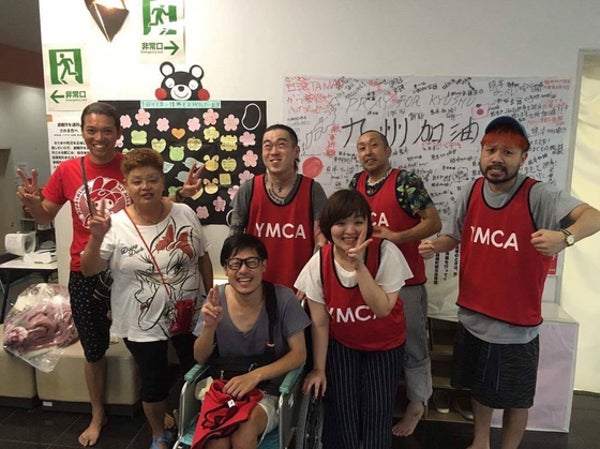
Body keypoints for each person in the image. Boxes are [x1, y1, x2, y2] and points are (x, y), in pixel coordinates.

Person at [15, 102, 204, 447]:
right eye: (91, 130)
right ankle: (98, 414)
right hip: (86, 269)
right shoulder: (68, 171)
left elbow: (153, 200)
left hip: (130, 268)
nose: (99, 137)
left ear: (119, 132)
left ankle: (157, 407)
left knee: (152, 342)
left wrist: (181, 195)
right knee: (94, 348)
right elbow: (44, 216)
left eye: (106, 130)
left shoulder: (132, 164)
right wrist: (31, 203)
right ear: (83, 132)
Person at [419, 116, 600, 449]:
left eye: (508, 152)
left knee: (517, 399)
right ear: (481, 152)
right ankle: (480, 442)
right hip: (472, 317)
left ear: (523, 157)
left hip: (515, 327)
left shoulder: (539, 194)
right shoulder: (472, 190)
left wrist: (565, 237)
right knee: (480, 388)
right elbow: (453, 237)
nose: (497, 158)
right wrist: (435, 246)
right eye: (491, 150)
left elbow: (594, 216)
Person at [80, 148, 213, 449]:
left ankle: (196, 423)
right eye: (137, 181)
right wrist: (96, 237)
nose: (145, 187)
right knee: (153, 381)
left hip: (191, 314)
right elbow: (88, 269)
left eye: (152, 179)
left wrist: (209, 298)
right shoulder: (114, 225)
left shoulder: (185, 213)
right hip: (140, 320)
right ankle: (158, 434)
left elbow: (203, 258)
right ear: (126, 185)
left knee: (196, 370)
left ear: (163, 181)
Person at [295, 189, 413, 449]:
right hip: (343, 343)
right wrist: (319, 368)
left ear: (368, 224)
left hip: (385, 345)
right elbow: (320, 322)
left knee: (377, 412)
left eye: (358, 222)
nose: (350, 231)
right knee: (341, 410)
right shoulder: (318, 263)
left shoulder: (386, 252)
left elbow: (382, 309)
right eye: (341, 223)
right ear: (328, 227)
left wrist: (359, 266)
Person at [350, 129, 442, 436]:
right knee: (374, 344)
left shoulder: (406, 182)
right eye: (361, 147)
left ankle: (418, 404)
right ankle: (377, 403)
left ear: (388, 151)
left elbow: (434, 222)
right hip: (369, 281)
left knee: (413, 345)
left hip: (406, 283)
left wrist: (397, 237)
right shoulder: (356, 183)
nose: (368, 152)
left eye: (374, 145)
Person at [193, 233, 310, 448]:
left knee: (244, 431)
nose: (243, 270)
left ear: (264, 265)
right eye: (235, 263)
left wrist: (255, 376)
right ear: (226, 268)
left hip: (268, 391)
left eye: (252, 262)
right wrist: (209, 327)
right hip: (223, 389)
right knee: (217, 440)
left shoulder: (283, 299)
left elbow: (299, 354)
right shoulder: (215, 299)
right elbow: (200, 357)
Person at [229, 124, 327, 291]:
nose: (274, 152)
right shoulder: (249, 189)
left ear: (296, 151)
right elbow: (233, 242)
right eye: (267, 146)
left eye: (281, 145)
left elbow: (322, 241)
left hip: (301, 290)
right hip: (255, 289)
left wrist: (312, 282)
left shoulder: (313, 190)